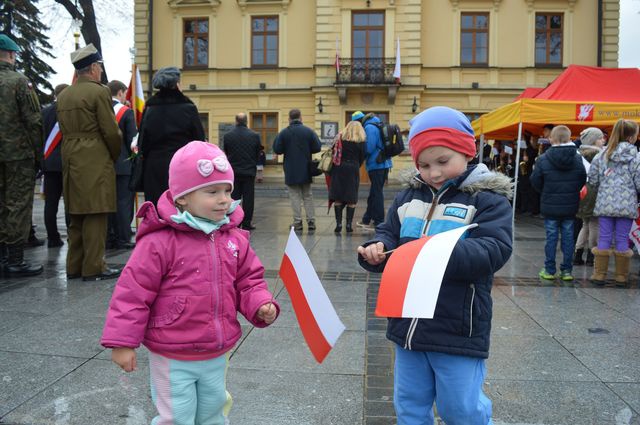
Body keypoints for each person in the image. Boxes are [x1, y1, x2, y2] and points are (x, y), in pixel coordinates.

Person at [101, 141, 279, 424]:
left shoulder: (233, 238)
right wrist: (122, 342)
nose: (224, 199)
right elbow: (133, 292)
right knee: (177, 415)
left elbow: (249, 280)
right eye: (212, 192)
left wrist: (260, 303)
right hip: (172, 352)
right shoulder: (160, 242)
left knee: (213, 410)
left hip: (216, 349)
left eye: (227, 191)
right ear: (181, 197)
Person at [357, 106, 512, 424]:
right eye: (424, 164)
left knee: (461, 408)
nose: (434, 172)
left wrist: (434, 254)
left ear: (467, 153)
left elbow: (494, 249)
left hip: (457, 326)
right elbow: (389, 232)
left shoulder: (486, 199)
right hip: (407, 326)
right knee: (410, 406)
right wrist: (377, 249)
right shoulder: (408, 196)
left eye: (443, 161)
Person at [56, 43, 122, 281]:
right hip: (94, 155)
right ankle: (94, 266)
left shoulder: (64, 94)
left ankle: (74, 266)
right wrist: (113, 155)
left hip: (70, 155)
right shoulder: (99, 92)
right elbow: (111, 131)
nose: (101, 72)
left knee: (76, 213)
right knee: (96, 212)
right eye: (99, 68)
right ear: (93, 67)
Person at [0, 34, 44, 277]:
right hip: (17, 155)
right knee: (17, 204)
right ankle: (15, 260)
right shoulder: (19, 82)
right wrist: (40, 155)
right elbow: (33, 122)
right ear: (11, 54)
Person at [138, 66, 205, 206]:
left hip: (155, 166)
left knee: (157, 208)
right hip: (182, 165)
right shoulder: (188, 108)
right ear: (176, 84)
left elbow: (142, 142)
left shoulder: (150, 109)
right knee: (180, 207)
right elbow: (199, 140)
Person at [530, 125, 586, 281]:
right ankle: (567, 271)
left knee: (551, 237)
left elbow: (535, 180)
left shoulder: (543, 158)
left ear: (551, 139)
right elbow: (582, 178)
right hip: (570, 204)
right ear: (569, 138)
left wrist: (546, 191)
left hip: (550, 204)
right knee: (568, 238)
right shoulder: (577, 157)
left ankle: (549, 270)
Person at [588, 119, 640, 286]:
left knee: (604, 237)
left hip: (605, 203)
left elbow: (593, 180)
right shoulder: (636, 156)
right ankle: (621, 277)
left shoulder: (602, 155)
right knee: (622, 239)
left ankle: (599, 275)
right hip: (627, 204)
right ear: (632, 137)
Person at [273, 108, 321, 232]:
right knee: (308, 196)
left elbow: (277, 150)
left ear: (289, 119)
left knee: (294, 196)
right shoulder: (308, 131)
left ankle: (298, 222)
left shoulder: (284, 133)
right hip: (306, 168)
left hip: (291, 169)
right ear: (301, 118)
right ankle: (311, 221)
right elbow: (317, 147)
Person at [106, 80, 138, 250]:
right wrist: (136, 161)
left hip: (104, 164)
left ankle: (108, 236)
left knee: (107, 202)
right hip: (123, 165)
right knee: (123, 202)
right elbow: (133, 142)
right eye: (124, 93)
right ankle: (123, 237)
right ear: (119, 93)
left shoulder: (101, 109)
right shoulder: (126, 112)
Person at [41, 83, 69, 248]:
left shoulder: (44, 112)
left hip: (49, 162)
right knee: (70, 202)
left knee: (50, 203)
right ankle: (72, 236)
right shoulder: (68, 112)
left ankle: (53, 238)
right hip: (67, 162)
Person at [223, 112, 262, 230]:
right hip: (249, 171)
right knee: (249, 199)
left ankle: (234, 221)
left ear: (236, 121)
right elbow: (257, 153)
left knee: (234, 198)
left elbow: (227, 152)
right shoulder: (255, 135)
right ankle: (247, 222)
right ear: (246, 121)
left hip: (234, 172)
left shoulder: (228, 136)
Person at [573, 127, 605, 266]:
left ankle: (578, 254)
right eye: (600, 138)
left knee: (585, 224)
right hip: (594, 190)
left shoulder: (578, 153)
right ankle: (592, 255)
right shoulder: (598, 155)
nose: (603, 140)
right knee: (594, 224)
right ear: (593, 140)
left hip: (582, 191)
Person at [356, 112, 392, 231]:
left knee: (376, 193)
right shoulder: (377, 124)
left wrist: (360, 155)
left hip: (376, 164)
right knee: (374, 192)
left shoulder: (369, 127)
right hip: (384, 163)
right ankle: (367, 219)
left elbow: (370, 147)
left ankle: (379, 221)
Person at [329, 120, 366, 233]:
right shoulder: (361, 142)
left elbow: (332, 152)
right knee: (351, 198)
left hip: (339, 168)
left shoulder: (339, 139)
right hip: (353, 168)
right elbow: (362, 157)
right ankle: (349, 225)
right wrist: (355, 164)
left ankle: (339, 224)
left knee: (338, 197)